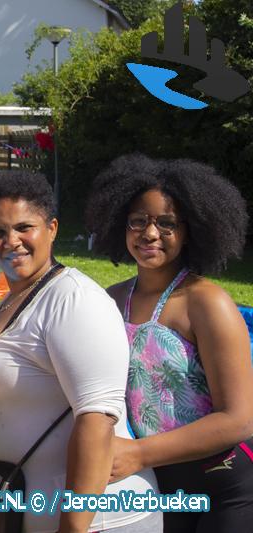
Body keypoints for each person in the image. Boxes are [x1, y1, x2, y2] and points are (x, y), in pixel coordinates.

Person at [0, 171, 160, 532]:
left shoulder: (74, 299)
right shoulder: (14, 300)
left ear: (52, 228)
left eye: (25, 227)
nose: (12, 241)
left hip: (101, 520)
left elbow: (97, 421)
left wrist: (73, 526)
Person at [86, 154, 253, 532]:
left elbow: (239, 419)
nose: (149, 234)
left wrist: (139, 453)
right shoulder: (109, 300)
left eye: (167, 223)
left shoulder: (207, 303)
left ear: (191, 229)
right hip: (159, 485)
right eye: (138, 221)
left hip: (223, 486)